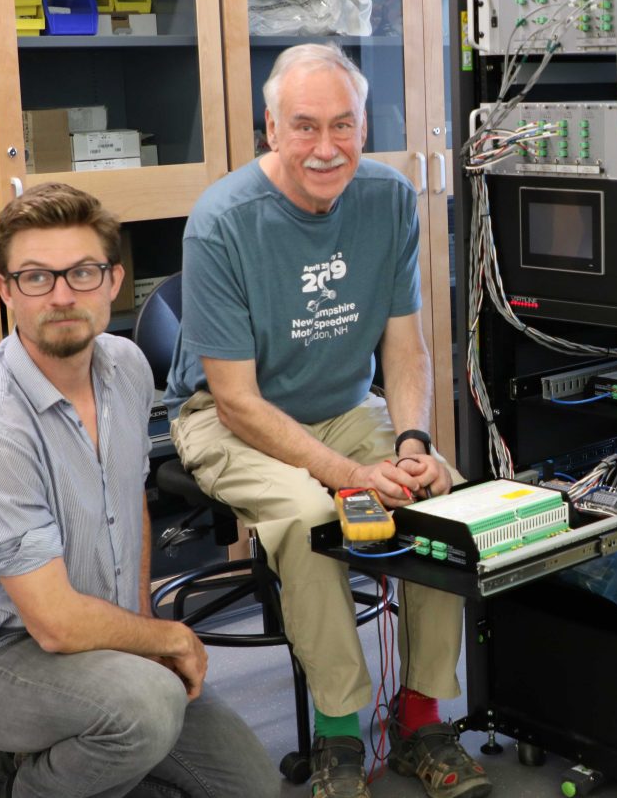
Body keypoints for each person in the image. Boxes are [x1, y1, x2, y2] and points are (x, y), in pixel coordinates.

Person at [164, 43, 490, 798]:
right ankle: (340, 734)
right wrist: (347, 474)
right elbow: (238, 400)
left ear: (363, 124)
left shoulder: (388, 196)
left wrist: (412, 441)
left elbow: (405, 349)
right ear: (270, 130)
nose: (326, 147)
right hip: (230, 416)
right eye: (304, 127)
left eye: (343, 125)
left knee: (438, 497)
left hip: (347, 406)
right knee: (314, 514)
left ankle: (423, 722)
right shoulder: (222, 222)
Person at [0, 182, 278, 798]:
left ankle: (91, 753)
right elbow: (56, 626)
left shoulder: (126, 366)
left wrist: (139, 626)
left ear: (113, 281)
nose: (62, 296)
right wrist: (167, 637)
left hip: (103, 637)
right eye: (37, 277)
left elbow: (130, 502)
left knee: (248, 784)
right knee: (143, 710)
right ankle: (12, 782)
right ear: (7, 290)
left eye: (82, 273)